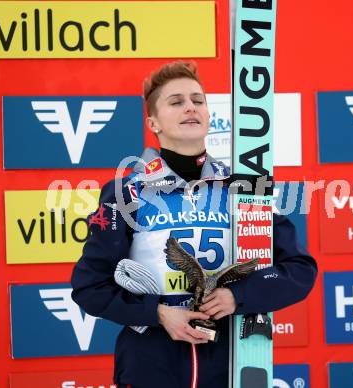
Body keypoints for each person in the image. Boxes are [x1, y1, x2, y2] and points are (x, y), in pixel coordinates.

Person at [71, 61, 317, 388]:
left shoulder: (242, 187)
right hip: (151, 364)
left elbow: (298, 270)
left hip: (233, 361)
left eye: (198, 100)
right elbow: (90, 286)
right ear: (153, 122)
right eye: (176, 102)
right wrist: (157, 314)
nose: (190, 107)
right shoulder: (127, 191)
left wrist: (237, 296)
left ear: (208, 114)